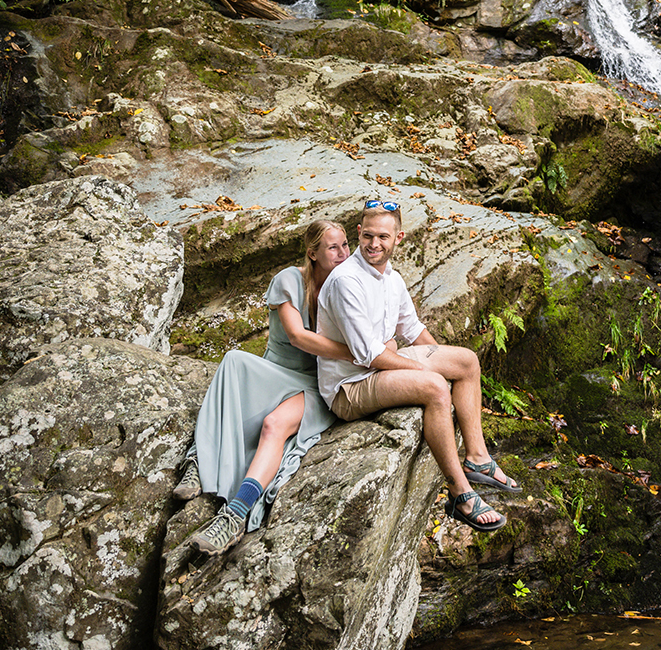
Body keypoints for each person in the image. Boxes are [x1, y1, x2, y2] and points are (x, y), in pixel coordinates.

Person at [316, 198, 521, 531]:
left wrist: (442, 359)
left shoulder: (391, 279)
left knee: (466, 362)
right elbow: (369, 355)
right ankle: (459, 492)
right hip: (350, 386)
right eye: (368, 235)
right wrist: (428, 370)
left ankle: (478, 459)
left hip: (379, 367)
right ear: (358, 232)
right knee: (435, 387)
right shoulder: (346, 281)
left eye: (383, 237)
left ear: (398, 238)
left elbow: (412, 330)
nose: (374, 244)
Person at [173, 219, 356, 555]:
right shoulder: (289, 280)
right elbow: (298, 337)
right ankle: (197, 462)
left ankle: (234, 516)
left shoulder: (348, 286)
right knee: (234, 362)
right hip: (274, 372)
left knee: (273, 425)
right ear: (313, 253)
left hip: (316, 386)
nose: (344, 253)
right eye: (333, 247)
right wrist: (357, 353)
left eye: (346, 245)